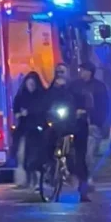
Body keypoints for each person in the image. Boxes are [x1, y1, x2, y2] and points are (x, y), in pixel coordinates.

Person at [42, 64, 92, 202]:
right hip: (60, 124)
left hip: (77, 125)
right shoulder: (53, 89)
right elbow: (47, 103)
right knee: (48, 141)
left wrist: (82, 111)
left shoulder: (76, 87)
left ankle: (83, 188)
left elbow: (85, 100)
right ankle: (50, 171)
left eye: (62, 72)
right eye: (58, 72)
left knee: (79, 157)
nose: (60, 74)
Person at [74, 62, 109, 185]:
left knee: (89, 153)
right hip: (77, 124)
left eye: (83, 70)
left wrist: (98, 120)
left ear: (89, 72)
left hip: (93, 124)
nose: (81, 73)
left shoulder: (99, 87)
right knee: (79, 152)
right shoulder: (75, 86)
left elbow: (103, 106)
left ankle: (88, 176)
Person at [12, 72, 46, 188]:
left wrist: (31, 113)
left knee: (36, 156)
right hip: (24, 130)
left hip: (37, 131)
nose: (31, 86)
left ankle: (38, 181)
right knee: (21, 155)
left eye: (33, 84)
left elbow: (44, 111)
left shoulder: (41, 96)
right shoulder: (21, 96)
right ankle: (24, 180)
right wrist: (20, 114)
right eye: (29, 84)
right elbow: (16, 111)